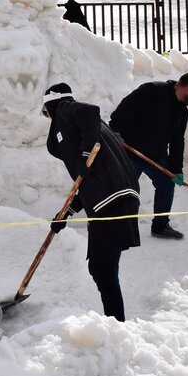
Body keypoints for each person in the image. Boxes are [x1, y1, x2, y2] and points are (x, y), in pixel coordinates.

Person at [42, 83, 140, 321]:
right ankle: (115, 323)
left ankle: (116, 325)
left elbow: (89, 110)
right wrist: (66, 212)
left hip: (112, 200)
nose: (47, 117)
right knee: (102, 269)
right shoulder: (86, 130)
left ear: (50, 104)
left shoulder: (66, 109)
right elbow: (88, 181)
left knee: (103, 270)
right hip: (112, 198)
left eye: (46, 112)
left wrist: (85, 154)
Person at [108, 71, 188, 241]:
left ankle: (160, 226)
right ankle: (112, 228)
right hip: (130, 153)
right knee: (124, 192)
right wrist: (114, 129)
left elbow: (178, 141)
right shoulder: (153, 90)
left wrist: (176, 169)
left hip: (157, 156)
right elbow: (126, 106)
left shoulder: (182, 111)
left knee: (166, 185)